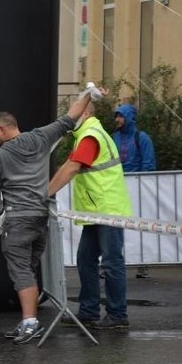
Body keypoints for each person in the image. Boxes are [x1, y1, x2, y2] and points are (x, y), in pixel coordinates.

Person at [0, 86, 103, 344]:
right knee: (27, 270)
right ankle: (26, 319)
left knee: (21, 271)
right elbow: (70, 118)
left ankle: (30, 323)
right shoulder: (41, 138)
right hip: (40, 218)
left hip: (18, 221)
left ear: (4, 129)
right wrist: (88, 94)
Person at [48, 92, 132, 330]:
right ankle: (89, 312)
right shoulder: (85, 134)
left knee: (111, 262)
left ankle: (117, 314)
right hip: (97, 209)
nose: (69, 114)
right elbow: (70, 164)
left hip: (106, 209)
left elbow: (72, 167)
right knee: (86, 259)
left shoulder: (90, 135)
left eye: (74, 109)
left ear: (85, 111)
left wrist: (44, 192)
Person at [113, 103, 156, 278]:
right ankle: (112, 261)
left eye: (121, 116)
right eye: (116, 116)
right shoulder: (113, 137)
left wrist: (143, 184)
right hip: (116, 187)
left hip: (138, 189)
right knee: (114, 225)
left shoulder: (142, 137)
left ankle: (142, 263)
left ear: (129, 117)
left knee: (140, 225)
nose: (117, 119)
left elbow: (149, 163)